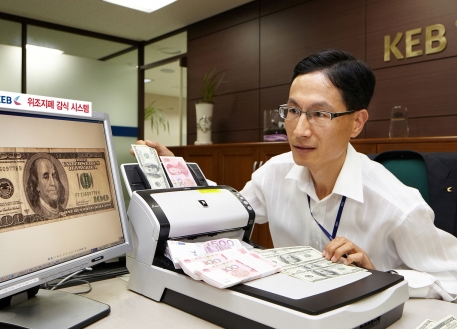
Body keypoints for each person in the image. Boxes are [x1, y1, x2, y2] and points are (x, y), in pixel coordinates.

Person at [133, 49, 457, 301]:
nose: (299, 130)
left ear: (357, 123)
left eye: (319, 114)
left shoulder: (398, 206)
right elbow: (227, 215)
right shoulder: (275, 173)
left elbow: (451, 280)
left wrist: (381, 276)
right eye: (292, 111)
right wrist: (180, 173)